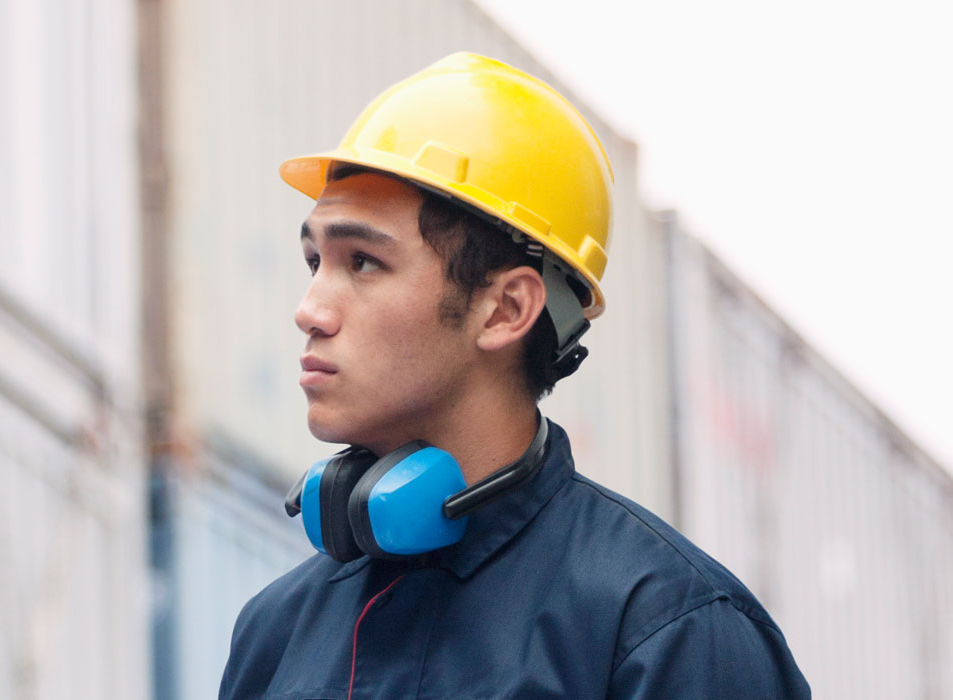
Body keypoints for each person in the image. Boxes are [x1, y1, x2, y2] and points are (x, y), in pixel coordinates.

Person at [217, 53, 810, 699]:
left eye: (363, 262)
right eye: (314, 261)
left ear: (506, 309)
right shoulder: (275, 635)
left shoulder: (667, 629)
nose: (310, 310)